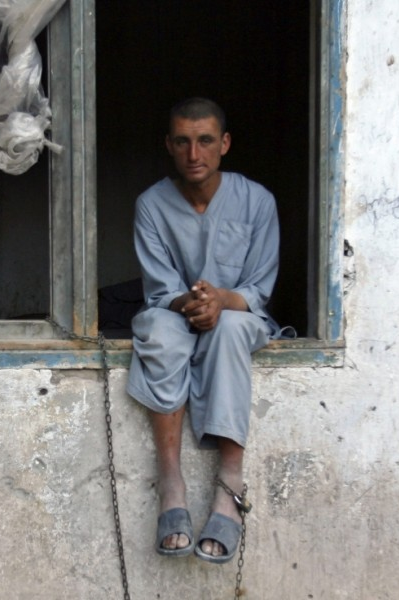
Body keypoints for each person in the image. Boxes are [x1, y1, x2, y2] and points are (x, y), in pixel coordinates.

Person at [126, 97, 283, 564]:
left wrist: (221, 301)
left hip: (236, 314)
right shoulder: (152, 205)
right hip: (177, 310)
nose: (195, 154)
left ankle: (229, 480)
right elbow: (160, 290)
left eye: (206, 141)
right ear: (169, 147)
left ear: (225, 144)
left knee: (231, 329)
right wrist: (192, 303)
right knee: (159, 329)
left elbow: (258, 287)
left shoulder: (257, 201)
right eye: (183, 142)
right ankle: (170, 480)